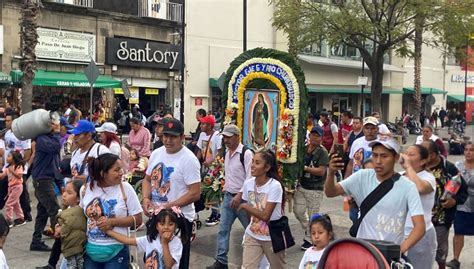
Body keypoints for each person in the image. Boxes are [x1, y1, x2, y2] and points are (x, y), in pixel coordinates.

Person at [325, 137, 426, 253]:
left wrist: (400, 250)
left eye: (384, 156)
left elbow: (420, 227)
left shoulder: (408, 187)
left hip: (389, 255)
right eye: (375, 155)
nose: (378, 161)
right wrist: (331, 173)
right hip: (363, 252)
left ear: (396, 158)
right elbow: (330, 192)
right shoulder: (361, 177)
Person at [142, 118, 201, 269]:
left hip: (178, 219)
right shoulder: (156, 153)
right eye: (165, 136)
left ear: (182, 137)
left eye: (173, 136)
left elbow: (195, 193)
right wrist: (146, 198)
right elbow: (147, 180)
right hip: (157, 217)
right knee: (154, 259)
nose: (168, 140)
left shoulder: (189, 159)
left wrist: (168, 206)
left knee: (175, 263)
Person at [81, 153, 143, 268]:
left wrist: (112, 222)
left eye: (121, 169)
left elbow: (138, 219)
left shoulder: (126, 189)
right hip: (90, 251)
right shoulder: (87, 189)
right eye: (117, 170)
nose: (122, 173)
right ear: (103, 173)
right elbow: (81, 215)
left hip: (117, 250)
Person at [207, 124, 254, 269]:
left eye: (228, 137)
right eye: (224, 137)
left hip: (243, 200)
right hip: (228, 197)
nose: (226, 140)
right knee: (223, 229)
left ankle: (258, 258)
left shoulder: (246, 154)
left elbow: (250, 178)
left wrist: (239, 195)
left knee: (251, 230)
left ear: (237, 137)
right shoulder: (227, 153)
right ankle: (221, 261)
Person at [420, 140, 468, 269]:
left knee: (440, 250)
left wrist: (454, 201)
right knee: (420, 250)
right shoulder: (417, 167)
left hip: (440, 218)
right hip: (418, 217)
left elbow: (463, 189)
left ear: (434, 155)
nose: (422, 157)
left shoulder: (449, 168)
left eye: (426, 154)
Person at [239, 150, 286, 268]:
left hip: (273, 236)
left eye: (257, 163)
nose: (253, 165)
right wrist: (253, 224)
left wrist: (245, 206)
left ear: (267, 167)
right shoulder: (248, 184)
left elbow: (266, 216)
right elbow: (250, 216)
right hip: (253, 235)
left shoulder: (274, 186)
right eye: (253, 161)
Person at [103, 207, 187, 269]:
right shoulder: (151, 239)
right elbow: (127, 240)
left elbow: (168, 265)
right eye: (162, 224)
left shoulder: (176, 242)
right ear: (157, 226)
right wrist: (108, 232)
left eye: (170, 224)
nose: (166, 227)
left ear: (176, 226)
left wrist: (165, 243)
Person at [399, 145, 437, 269]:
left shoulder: (428, 178)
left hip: (422, 234)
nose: (406, 157)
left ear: (422, 161)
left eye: (411, 154)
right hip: (399, 232)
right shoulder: (398, 176)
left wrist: (408, 167)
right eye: (406, 153)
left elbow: (420, 188)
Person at [294, 126, 329, 250]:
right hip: (302, 185)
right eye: (313, 135)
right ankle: (310, 230)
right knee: (297, 211)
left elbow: (321, 171)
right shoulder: (304, 149)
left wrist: (305, 168)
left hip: (315, 188)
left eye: (317, 136)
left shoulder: (323, 152)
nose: (314, 137)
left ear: (321, 138)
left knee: (313, 214)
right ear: (309, 136)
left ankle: (310, 238)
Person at [30, 118, 62, 252]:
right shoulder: (43, 139)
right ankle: (60, 241)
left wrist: (58, 181)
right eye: (55, 124)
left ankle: (36, 241)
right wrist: (56, 132)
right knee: (54, 210)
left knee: (43, 212)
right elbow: (55, 148)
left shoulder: (47, 138)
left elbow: (55, 163)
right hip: (42, 180)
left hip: (46, 179)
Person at [446, 142, 474, 269]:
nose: (468, 152)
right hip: (461, 204)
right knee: (459, 231)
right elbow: (451, 184)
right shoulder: (458, 166)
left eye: (472, 150)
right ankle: (455, 259)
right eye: (466, 150)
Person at [3, 114, 32, 222]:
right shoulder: (7, 133)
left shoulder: (23, 134)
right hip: (8, 167)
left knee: (22, 194)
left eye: (8, 120)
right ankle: (18, 215)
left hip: (19, 168)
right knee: (8, 190)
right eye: (6, 121)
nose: (6, 123)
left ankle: (26, 215)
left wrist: (21, 165)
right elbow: (7, 149)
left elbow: (27, 151)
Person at [196, 115, 223, 226]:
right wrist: (194, 161)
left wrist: (213, 163)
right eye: (201, 123)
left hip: (214, 168)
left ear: (210, 125)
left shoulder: (217, 136)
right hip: (205, 167)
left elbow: (220, 152)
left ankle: (216, 214)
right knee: (206, 190)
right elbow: (199, 150)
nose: (201, 126)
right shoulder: (202, 135)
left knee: (214, 191)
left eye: (203, 124)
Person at [0, 151, 25, 227]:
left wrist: (12, 171)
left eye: (9, 156)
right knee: (16, 204)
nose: (7, 158)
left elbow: (19, 176)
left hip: (17, 187)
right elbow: (2, 176)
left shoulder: (18, 166)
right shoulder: (7, 168)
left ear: (14, 158)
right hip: (11, 188)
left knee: (9, 204)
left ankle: (9, 220)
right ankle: (20, 218)